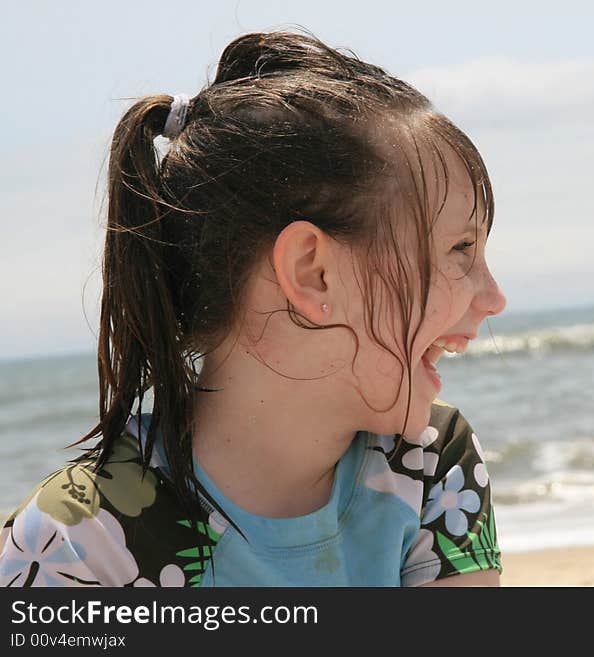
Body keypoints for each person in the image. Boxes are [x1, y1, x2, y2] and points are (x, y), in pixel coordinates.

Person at [0, 29, 506, 587]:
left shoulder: (427, 466)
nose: (494, 298)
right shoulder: (79, 542)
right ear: (313, 274)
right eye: (461, 249)